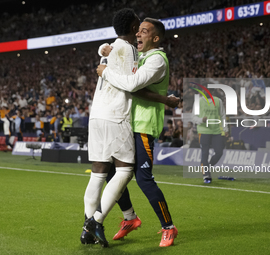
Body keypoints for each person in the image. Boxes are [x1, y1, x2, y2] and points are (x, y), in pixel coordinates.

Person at [97, 17, 178, 247]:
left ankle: (169, 227)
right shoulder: (139, 55)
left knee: (144, 179)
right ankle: (130, 218)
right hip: (126, 124)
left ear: (155, 38)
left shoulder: (157, 60)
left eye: (144, 32)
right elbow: (114, 55)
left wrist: (104, 72)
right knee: (112, 173)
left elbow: (132, 86)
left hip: (143, 126)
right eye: (138, 31)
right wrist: (105, 50)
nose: (138, 35)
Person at [82, 8, 141, 248]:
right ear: (133, 26)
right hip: (116, 115)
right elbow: (131, 83)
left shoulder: (110, 49)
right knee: (125, 170)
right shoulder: (128, 49)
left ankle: (86, 228)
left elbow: (106, 56)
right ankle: (95, 222)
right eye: (138, 23)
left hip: (96, 115)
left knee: (98, 173)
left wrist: (103, 56)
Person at [192, 93, 229, 184]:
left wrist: (225, 129)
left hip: (216, 131)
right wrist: (201, 120)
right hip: (203, 131)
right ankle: (206, 175)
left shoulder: (218, 101)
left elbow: (223, 115)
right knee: (205, 153)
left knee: (219, 152)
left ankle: (208, 166)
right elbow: (193, 117)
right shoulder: (198, 102)